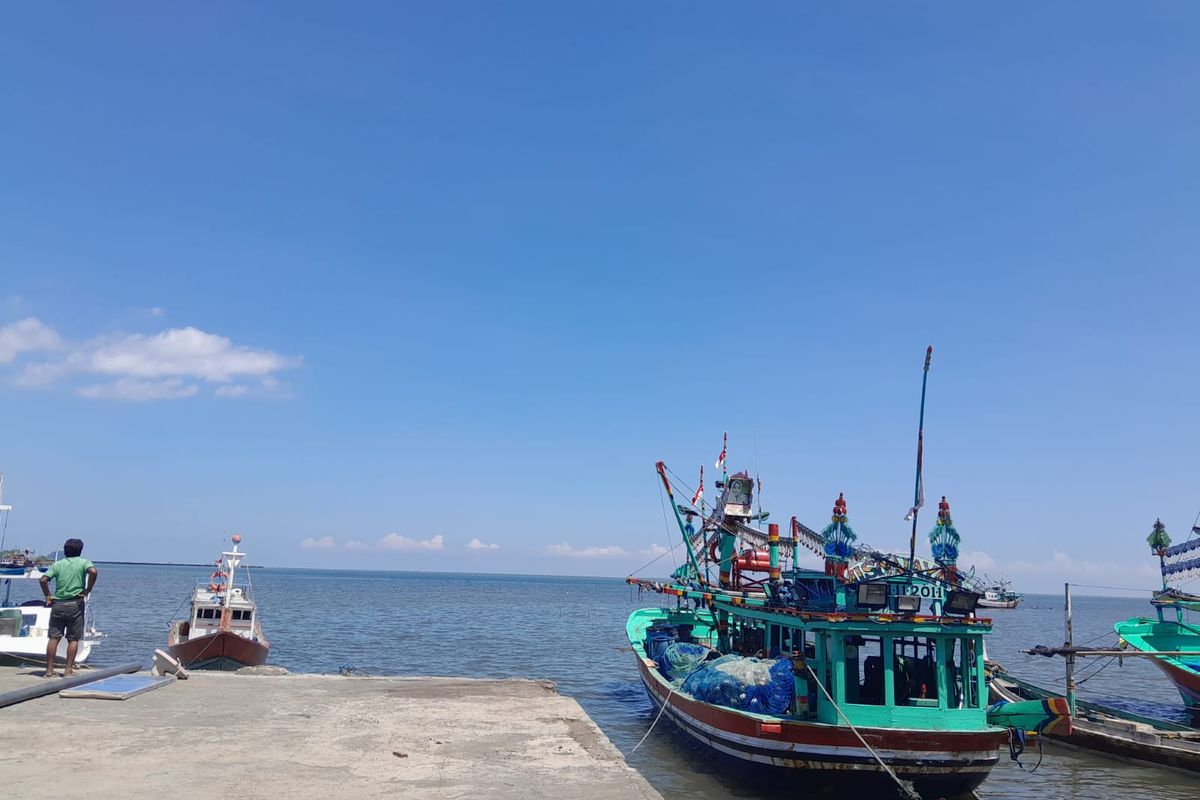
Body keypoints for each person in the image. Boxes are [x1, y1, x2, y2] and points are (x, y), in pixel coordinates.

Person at [38, 538, 98, 678]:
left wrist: (48, 595)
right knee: (73, 639)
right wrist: (88, 589)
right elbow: (93, 572)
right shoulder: (84, 562)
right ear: (80, 550)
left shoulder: (58, 564)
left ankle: (49, 670)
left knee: (54, 638)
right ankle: (68, 670)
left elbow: (43, 579)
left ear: (65, 551)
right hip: (75, 604)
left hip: (58, 604)